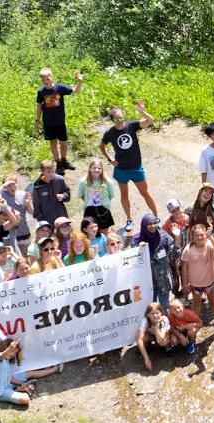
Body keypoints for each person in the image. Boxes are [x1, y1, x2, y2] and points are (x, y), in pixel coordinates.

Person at [100, 101, 158, 229]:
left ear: (123, 114)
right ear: (113, 119)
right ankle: (129, 220)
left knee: (145, 193)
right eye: (116, 117)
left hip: (136, 168)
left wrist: (142, 111)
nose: (119, 119)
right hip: (121, 170)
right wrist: (110, 159)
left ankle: (156, 216)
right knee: (124, 195)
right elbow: (102, 146)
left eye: (120, 116)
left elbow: (151, 120)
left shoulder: (132, 126)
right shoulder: (110, 132)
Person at [34, 68, 83, 173]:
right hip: (48, 123)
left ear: (51, 77)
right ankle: (59, 163)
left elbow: (76, 91)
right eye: (43, 80)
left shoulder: (59, 88)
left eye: (47, 79)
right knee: (53, 143)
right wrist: (37, 121)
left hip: (60, 122)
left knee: (64, 143)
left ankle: (64, 161)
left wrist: (80, 82)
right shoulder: (41, 92)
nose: (45, 82)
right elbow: (39, 106)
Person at [181, 224, 214, 335]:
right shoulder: (188, 249)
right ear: (192, 236)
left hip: (210, 283)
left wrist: (210, 237)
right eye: (196, 235)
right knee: (196, 305)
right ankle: (194, 324)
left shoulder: (210, 245)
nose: (199, 237)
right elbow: (184, 267)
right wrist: (185, 283)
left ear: (205, 235)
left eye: (202, 235)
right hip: (195, 284)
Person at [0, 338, 62, 405]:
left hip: (8, 383)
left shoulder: (6, 361)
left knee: (30, 373)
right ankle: (19, 390)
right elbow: (2, 355)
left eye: (14, 352)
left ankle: (55, 368)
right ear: (4, 347)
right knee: (26, 400)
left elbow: (9, 378)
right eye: (12, 351)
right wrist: (10, 348)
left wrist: (21, 384)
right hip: (1, 392)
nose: (13, 354)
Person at [137, 214, 179, 310]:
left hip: (163, 280)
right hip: (148, 282)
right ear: (144, 225)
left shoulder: (164, 237)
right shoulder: (138, 241)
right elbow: (133, 262)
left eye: (155, 223)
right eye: (149, 224)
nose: (153, 226)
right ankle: (153, 325)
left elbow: (174, 255)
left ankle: (166, 324)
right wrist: (139, 249)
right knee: (151, 308)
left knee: (164, 306)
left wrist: (177, 238)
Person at [0, 174, 33, 253]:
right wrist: (2, 187)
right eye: (9, 185)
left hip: (23, 232)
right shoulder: (2, 195)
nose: (12, 187)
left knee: (25, 260)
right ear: (5, 186)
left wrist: (28, 204)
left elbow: (32, 212)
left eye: (13, 184)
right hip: (7, 234)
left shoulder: (23, 194)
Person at [127, 303, 172, 371]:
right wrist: (146, 359)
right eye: (152, 313)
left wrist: (157, 325)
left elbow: (160, 340)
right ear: (147, 315)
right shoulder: (145, 320)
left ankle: (167, 346)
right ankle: (147, 346)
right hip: (153, 335)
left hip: (163, 337)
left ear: (161, 313)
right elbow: (139, 339)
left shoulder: (164, 319)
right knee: (140, 337)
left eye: (157, 313)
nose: (155, 315)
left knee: (162, 343)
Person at [78, 160, 117, 232]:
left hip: (104, 210)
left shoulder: (107, 181)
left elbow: (111, 195)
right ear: (90, 169)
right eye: (94, 168)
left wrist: (104, 204)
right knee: (90, 231)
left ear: (102, 170)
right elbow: (81, 195)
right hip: (89, 210)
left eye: (99, 168)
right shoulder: (83, 182)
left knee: (105, 231)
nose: (96, 170)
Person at [28, 160, 70, 225]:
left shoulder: (60, 180)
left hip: (61, 217)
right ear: (42, 172)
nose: (51, 174)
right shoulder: (37, 186)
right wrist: (41, 221)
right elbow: (36, 206)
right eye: (48, 172)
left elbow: (67, 194)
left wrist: (63, 196)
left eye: (53, 171)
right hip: (47, 221)